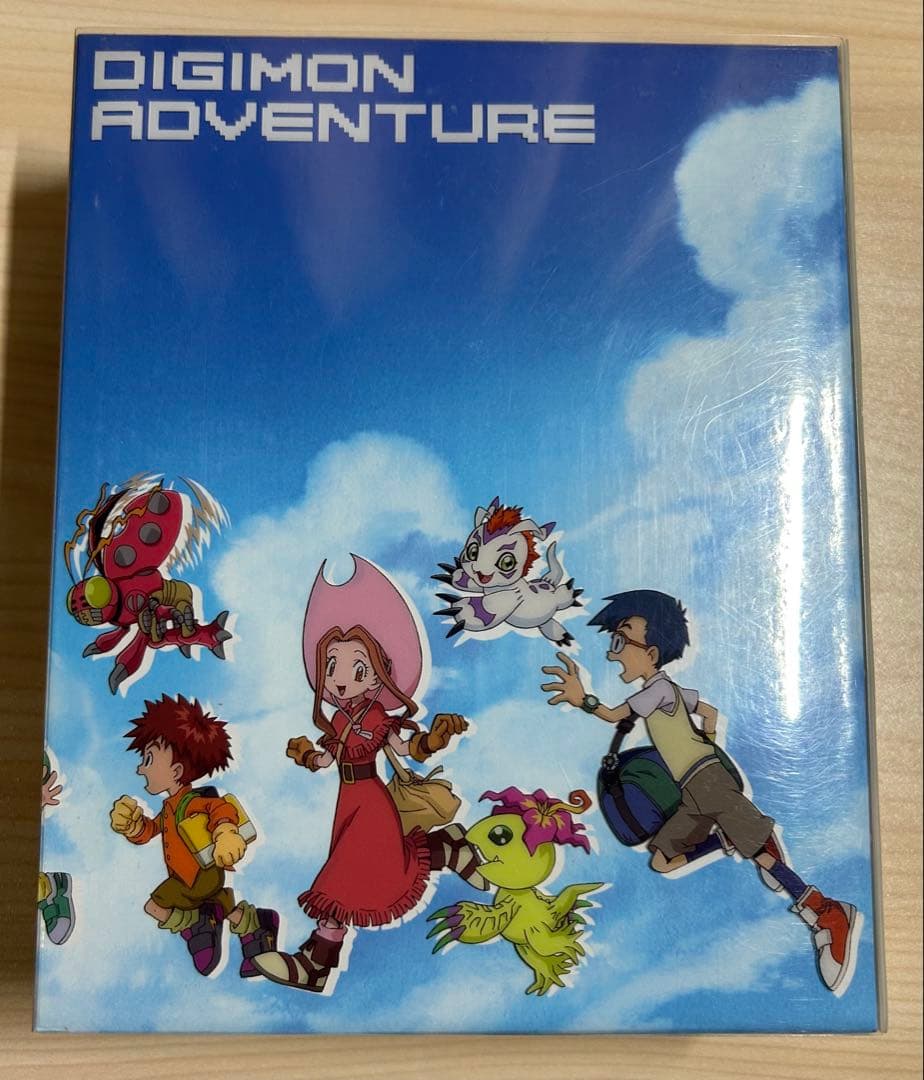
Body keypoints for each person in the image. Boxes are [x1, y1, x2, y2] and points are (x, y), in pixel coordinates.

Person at [541, 588, 861, 994]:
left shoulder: (656, 690)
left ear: (651, 653)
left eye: (620, 641)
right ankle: (727, 839)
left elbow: (613, 714)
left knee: (759, 851)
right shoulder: (670, 691)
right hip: (692, 790)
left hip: (706, 780)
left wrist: (581, 699)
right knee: (663, 860)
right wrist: (707, 740)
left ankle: (827, 913)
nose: (613, 652)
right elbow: (708, 711)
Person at [252, 557, 483, 993]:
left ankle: (315, 966)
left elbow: (406, 749)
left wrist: (435, 739)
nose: (340, 681)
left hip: (371, 802)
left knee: (341, 880)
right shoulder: (340, 721)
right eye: (331, 668)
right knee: (375, 868)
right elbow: (327, 761)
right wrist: (306, 756)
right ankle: (445, 848)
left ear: (379, 676)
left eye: (357, 670)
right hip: (349, 803)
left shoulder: (377, 717)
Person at [109, 694, 278, 977]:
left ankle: (197, 926)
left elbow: (221, 809)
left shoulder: (192, 802)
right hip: (193, 879)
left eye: (148, 759)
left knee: (154, 905)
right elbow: (151, 831)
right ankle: (257, 926)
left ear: (176, 770)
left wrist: (226, 832)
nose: (140, 768)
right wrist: (133, 827)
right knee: (224, 908)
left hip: (198, 877)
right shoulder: (169, 808)